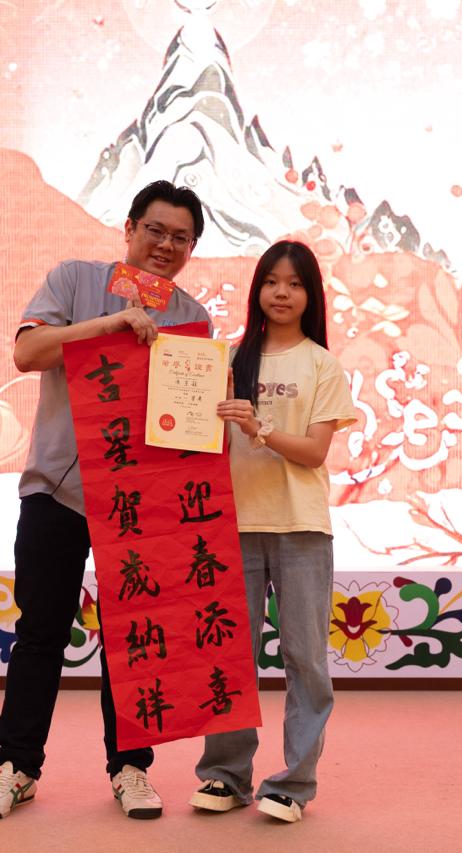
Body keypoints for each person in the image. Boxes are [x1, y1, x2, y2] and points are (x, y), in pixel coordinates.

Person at [0, 181, 211, 822]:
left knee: (138, 640)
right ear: (129, 229)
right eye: (155, 230)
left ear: (192, 248)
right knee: (40, 634)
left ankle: (131, 769)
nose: (165, 245)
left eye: (180, 238)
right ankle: (16, 768)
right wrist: (110, 324)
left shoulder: (192, 316)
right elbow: (27, 352)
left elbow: (184, 424)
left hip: (141, 502)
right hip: (56, 488)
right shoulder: (74, 279)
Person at [188, 240, 356, 822]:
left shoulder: (321, 364)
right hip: (230, 526)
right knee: (228, 656)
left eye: (295, 284)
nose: (281, 294)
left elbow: (313, 453)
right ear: (257, 290)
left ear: (311, 296)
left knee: (305, 658)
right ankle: (226, 776)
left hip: (300, 526)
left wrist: (258, 430)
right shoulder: (228, 360)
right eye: (271, 282)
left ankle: (293, 784)